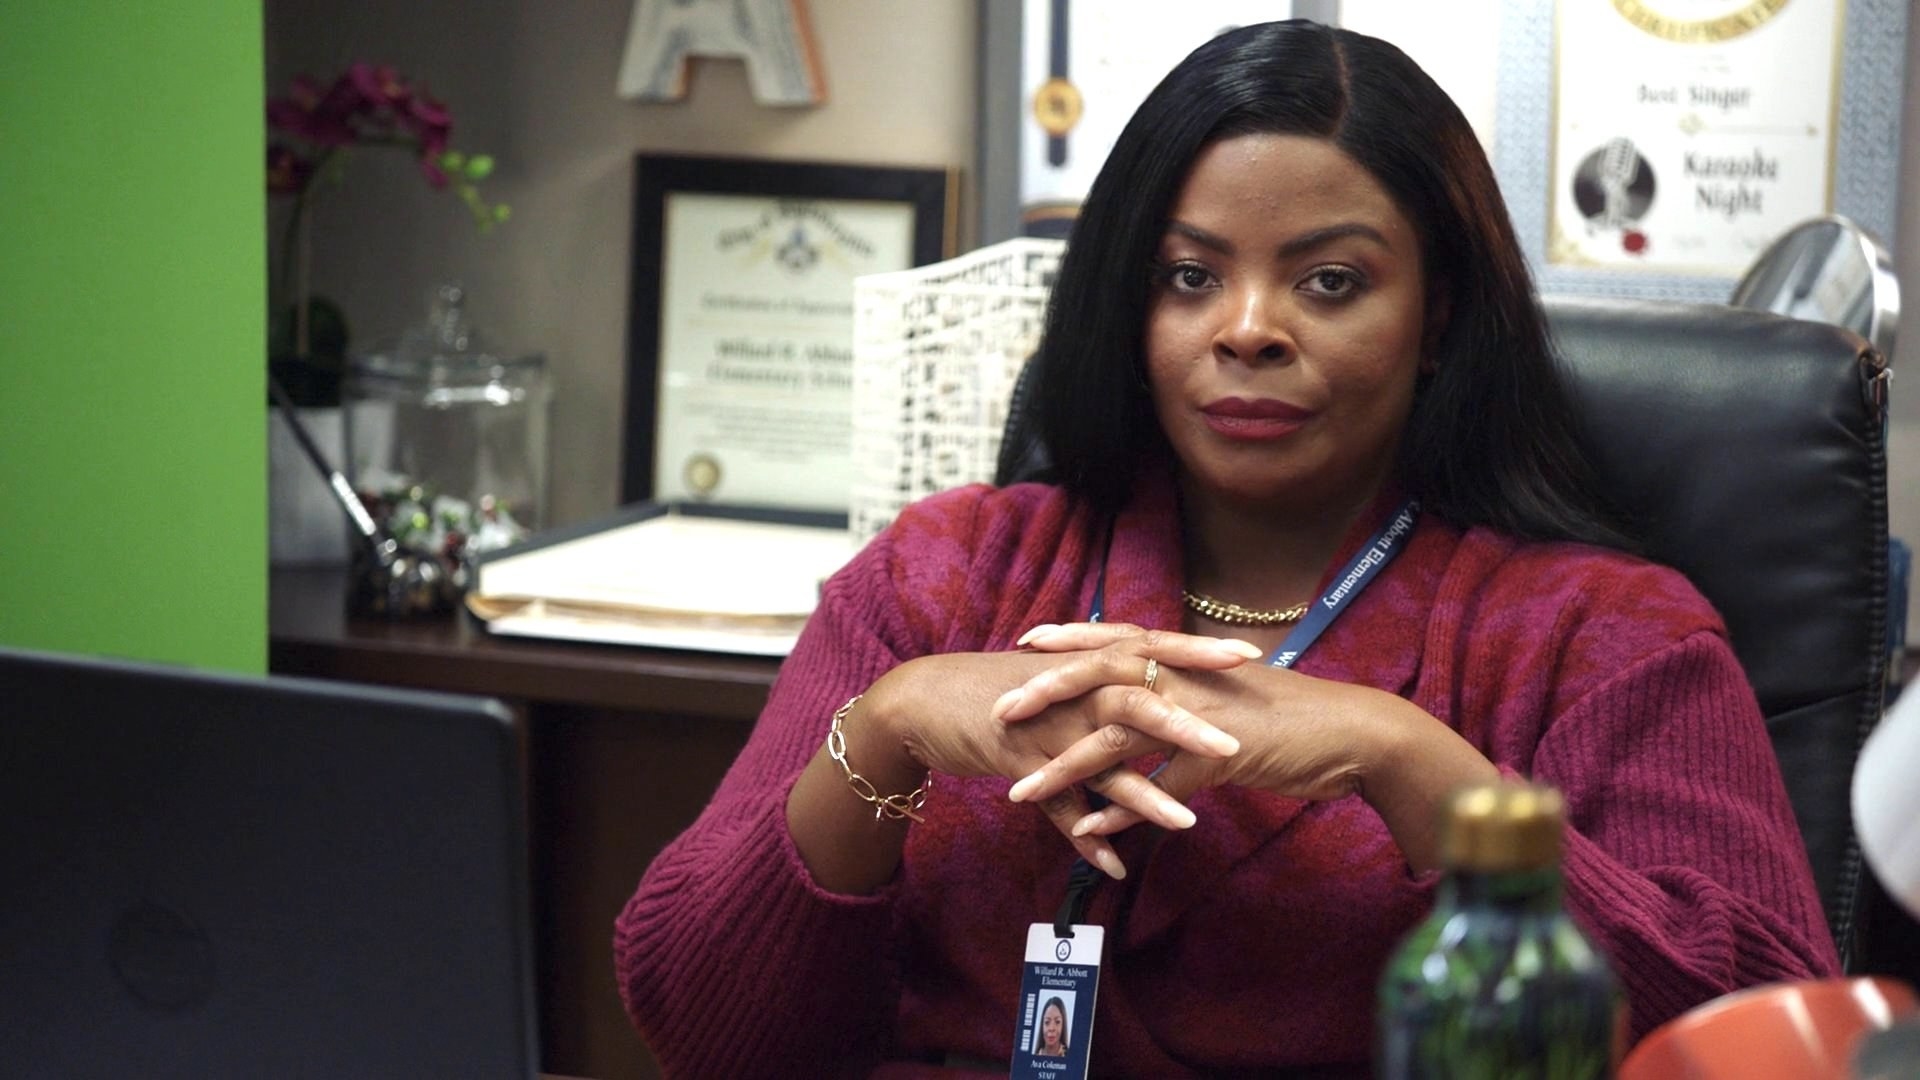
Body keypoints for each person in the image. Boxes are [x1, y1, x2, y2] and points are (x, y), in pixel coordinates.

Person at [615, 19, 1837, 1077]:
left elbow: (1774, 1045)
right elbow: (703, 1033)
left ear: (1438, 315)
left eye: (1330, 282)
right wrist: (891, 721)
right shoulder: (946, 574)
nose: (1248, 329)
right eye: (1191, 275)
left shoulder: (1604, 633)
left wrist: (1406, 761)